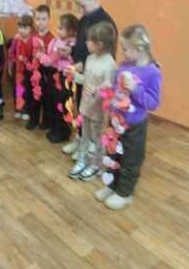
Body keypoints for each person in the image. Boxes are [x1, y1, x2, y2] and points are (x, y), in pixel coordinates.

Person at [96, 24, 161, 210]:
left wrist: (136, 89)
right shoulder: (123, 65)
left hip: (134, 126)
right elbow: (118, 91)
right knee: (113, 154)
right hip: (116, 121)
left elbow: (153, 103)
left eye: (124, 49)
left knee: (130, 159)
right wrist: (109, 86)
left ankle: (124, 193)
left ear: (139, 50)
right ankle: (112, 186)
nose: (122, 52)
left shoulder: (152, 72)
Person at [68, 23, 115, 179]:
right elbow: (87, 81)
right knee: (84, 135)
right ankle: (82, 161)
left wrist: (97, 91)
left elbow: (108, 92)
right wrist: (75, 76)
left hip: (97, 111)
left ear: (99, 45)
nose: (86, 43)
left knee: (96, 139)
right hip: (85, 107)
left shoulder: (110, 66)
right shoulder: (90, 58)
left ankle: (96, 165)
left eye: (88, 40)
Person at [46, 13, 77, 144]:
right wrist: (47, 59)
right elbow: (49, 55)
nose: (57, 31)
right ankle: (54, 127)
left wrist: (64, 57)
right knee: (52, 101)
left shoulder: (73, 44)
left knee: (62, 103)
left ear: (70, 30)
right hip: (54, 74)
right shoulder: (55, 41)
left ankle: (63, 131)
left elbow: (73, 62)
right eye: (58, 27)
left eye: (61, 28)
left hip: (65, 76)